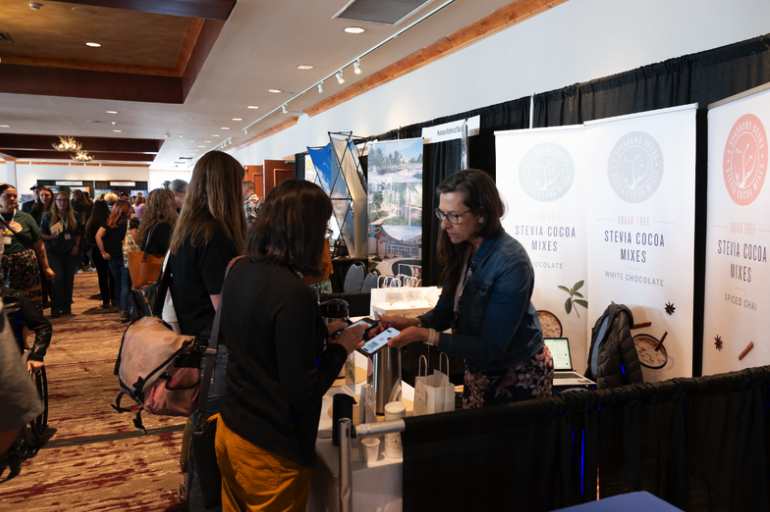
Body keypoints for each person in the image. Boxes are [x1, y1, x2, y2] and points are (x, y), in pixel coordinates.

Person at [216, 179, 366, 511]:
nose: (324, 238)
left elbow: (257, 337)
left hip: (230, 429)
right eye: (323, 229)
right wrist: (340, 348)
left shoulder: (240, 268)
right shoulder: (293, 293)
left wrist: (317, 334)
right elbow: (305, 393)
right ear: (306, 231)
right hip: (269, 451)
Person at [376, 169, 553, 408]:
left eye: (454, 216)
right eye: (442, 214)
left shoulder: (512, 262)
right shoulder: (463, 246)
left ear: (482, 214)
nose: (444, 224)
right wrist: (412, 323)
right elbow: (445, 312)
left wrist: (424, 335)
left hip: (518, 374)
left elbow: (490, 347)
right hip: (478, 369)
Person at [167, 152, 244, 511]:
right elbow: (224, 309)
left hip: (197, 348)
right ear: (225, 186)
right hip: (216, 354)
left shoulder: (189, 230)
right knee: (212, 447)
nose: (243, 192)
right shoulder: (214, 235)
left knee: (203, 441)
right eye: (239, 184)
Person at [0, 184, 55, 311]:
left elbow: (39, 244)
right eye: (8, 196)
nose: (12, 199)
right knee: (6, 305)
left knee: (28, 304)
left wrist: (46, 267)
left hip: (26, 268)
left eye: (14, 196)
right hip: (3, 269)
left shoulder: (26, 218)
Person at [40, 191, 81, 318]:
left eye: (65, 200)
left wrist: (76, 246)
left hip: (70, 251)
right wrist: (51, 237)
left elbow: (79, 233)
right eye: (60, 200)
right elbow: (40, 235)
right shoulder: (48, 216)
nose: (62, 203)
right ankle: (56, 308)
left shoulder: (74, 215)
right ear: (55, 201)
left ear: (68, 202)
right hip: (53, 252)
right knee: (57, 280)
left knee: (68, 280)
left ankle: (66, 307)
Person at [95, 200, 133, 323]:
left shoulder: (109, 223)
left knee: (118, 285)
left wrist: (102, 251)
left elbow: (97, 236)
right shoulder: (131, 223)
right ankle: (124, 311)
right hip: (126, 257)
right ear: (126, 210)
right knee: (126, 285)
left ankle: (121, 309)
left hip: (112, 258)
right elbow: (136, 237)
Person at [85, 199, 114, 309]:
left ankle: (106, 301)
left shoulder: (91, 221)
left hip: (98, 250)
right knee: (112, 274)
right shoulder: (111, 220)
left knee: (102, 276)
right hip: (111, 250)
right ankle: (114, 299)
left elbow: (88, 237)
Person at [136, 189, 176, 257]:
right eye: (173, 202)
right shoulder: (163, 227)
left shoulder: (148, 223)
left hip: (148, 262)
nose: (175, 205)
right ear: (168, 205)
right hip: (160, 263)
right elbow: (173, 253)